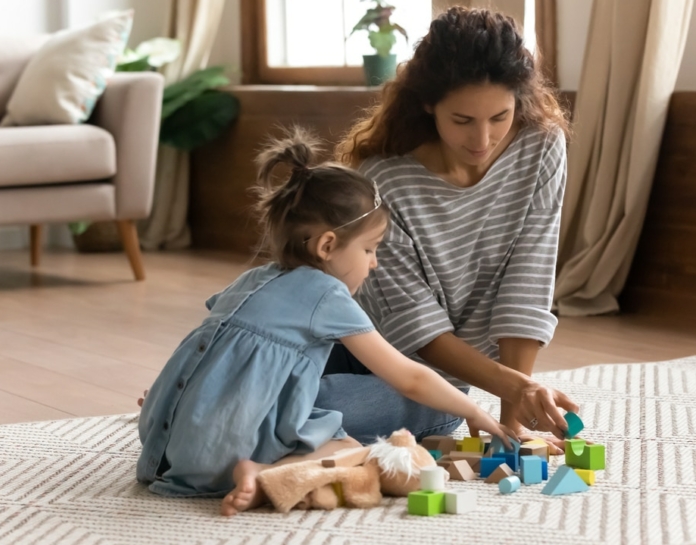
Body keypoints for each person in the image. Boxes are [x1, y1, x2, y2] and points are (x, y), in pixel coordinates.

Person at [137, 128, 525, 517]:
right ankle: (266, 473)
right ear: (326, 246)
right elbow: (411, 378)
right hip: (220, 455)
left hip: (164, 447)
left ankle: (257, 462)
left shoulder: (252, 280)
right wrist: (476, 413)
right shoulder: (326, 294)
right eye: (369, 249)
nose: (374, 262)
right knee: (354, 449)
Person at [318, 6, 575, 448]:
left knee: (444, 404)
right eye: (462, 121)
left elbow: (527, 281)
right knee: (436, 403)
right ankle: (230, 399)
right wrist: (515, 387)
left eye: (500, 117)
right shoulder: (385, 178)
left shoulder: (541, 146)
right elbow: (416, 328)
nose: (482, 141)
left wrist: (512, 417)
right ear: (427, 104)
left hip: (435, 379)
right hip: (360, 349)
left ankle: (233, 405)